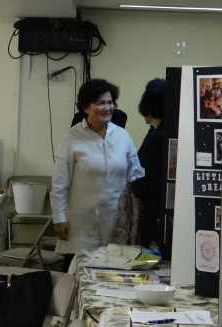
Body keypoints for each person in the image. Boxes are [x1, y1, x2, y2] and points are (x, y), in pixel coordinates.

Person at [51, 79, 143, 272]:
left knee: (113, 274)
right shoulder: (70, 137)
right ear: (86, 107)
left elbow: (135, 175)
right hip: (81, 223)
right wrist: (59, 217)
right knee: (77, 273)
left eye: (110, 102)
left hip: (117, 221)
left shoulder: (123, 136)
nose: (107, 108)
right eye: (100, 103)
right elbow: (60, 183)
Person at [126, 78, 166, 250]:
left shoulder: (160, 137)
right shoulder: (157, 131)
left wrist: (133, 185)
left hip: (156, 208)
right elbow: (141, 157)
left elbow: (154, 184)